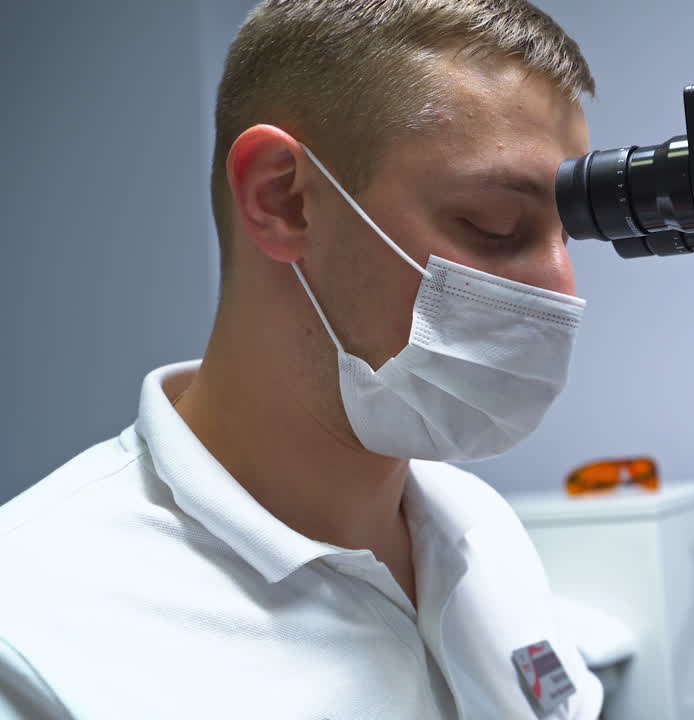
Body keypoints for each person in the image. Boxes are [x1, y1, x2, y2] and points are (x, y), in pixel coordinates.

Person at [0, 1, 603, 718]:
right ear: (283, 198)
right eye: (494, 224)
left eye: (568, 235)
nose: (562, 289)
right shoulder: (34, 632)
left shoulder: (479, 529)